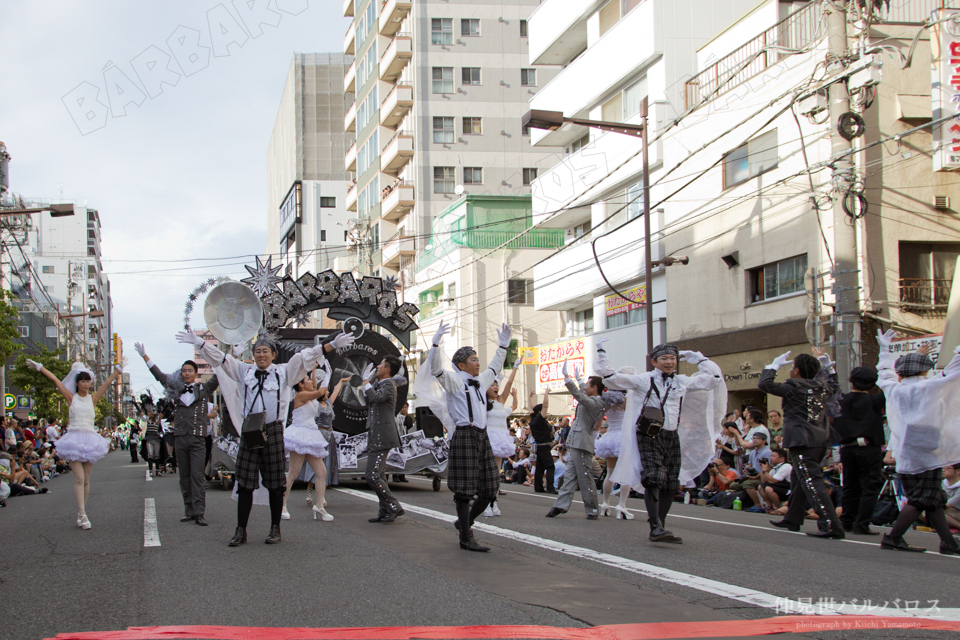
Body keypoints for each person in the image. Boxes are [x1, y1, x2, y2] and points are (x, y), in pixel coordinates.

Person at [183, 328, 353, 546]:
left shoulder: (284, 372)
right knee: (244, 483)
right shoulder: (245, 371)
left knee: (275, 483)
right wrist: (199, 342)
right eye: (257, 351)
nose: (260, 355)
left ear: (273, 354)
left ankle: (275, 528)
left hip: (273, 431)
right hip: (250, 431)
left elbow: (305, 357)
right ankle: (240, 530)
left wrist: (331, 345)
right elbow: (223, 360)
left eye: (265, 351)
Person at [598, 340, 725, 543]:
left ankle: (661, 526)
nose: (669, 362)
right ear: (654, 362)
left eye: (672, 358)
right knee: (654, 477)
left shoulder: (682, 381)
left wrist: (699, 359)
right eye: (664, 358)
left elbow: (714, 379)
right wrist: (601, 352)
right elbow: (610, 378)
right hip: (648, 434)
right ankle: (654, 526)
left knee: (670, 482)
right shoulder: (642, 380)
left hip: (671, 435)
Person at [423, 319, 511, 552]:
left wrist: (503, 346)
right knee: (464, 491)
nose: (478, 362)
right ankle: (466, 537)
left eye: (477, 358)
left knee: (490, 488)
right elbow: (436, 370)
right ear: (461, 365)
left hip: (482, 436)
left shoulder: (480, 381)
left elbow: (495, 366)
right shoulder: (454, 381)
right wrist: (435, 345)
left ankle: (464, 523)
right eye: (473, 359)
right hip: (464, 435)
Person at [875, 332, 960, 555]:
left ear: (900, 372)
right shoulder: (931, 386)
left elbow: (883, 373)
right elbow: (953, 371)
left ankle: (949, 543)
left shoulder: (894, 389)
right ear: (925, 370)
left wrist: (885, 351)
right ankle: (893, 537)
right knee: (923, 499)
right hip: (928, 453)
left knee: (931, 500)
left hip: (905, 453)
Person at [26, 358, 124, 529]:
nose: (86, 384)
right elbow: (55, 379)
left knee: (86, 480)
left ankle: (81, 512)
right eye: (83, 381)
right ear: (77, 383)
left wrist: (118, 369)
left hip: (90, 440)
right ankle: (83, 515)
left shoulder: (93, 399)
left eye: (88, 381)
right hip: (73, 439)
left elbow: (108, 382)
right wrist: (40, 367)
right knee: (79, 478)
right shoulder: (71, 398)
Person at [760, 347, 844, 538]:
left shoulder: (793, 387)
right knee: (799, 478)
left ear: (796, 371)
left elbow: (765, 384)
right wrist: (828, 366)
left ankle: (831, 525)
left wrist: (773, 366)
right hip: (820, 438)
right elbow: (835, 385)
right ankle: (793, 517)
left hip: (801, 439)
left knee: (811, 481)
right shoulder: (822, 387)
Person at [138, 342, 220, 527]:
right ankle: (188, 511)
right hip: (180, 438)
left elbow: (220, 375)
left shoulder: (204, 389)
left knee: (197, 476)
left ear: (196, 372)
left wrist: (231, 356)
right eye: (184, 370)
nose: (186, 373)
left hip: (198, 439)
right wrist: (145, 356)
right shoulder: (175, 388)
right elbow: (158, 375)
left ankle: (200, 513)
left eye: (190, 370)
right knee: (184, 476)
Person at [281, 369, 350, 522]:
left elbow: (317, 388)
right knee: (293, 473)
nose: (311, 381)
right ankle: (282, 504)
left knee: (322, 472)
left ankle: (319, 506)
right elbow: (320, 391)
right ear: (300, 384)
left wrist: (313, 370)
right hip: (300, 435)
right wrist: (327, 376)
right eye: (307, 379)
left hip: (310, 435)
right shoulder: (301, 396)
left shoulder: (310, 397)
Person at [545, 359, 604, 519]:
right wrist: (578, 380)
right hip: (577, 441)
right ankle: (560, 505)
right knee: (570, 475)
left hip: (582, 442)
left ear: (595, 388)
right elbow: (583, 393)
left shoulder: (596, 402)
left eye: (587, 385)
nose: (584, 387)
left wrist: (567, 377)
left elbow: (580, 395)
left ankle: (592, 509)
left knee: (585, 476)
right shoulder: (593, 399)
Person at [833, 366, 885, 536]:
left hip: (847, 449)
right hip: (868, 448)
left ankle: (847, 521)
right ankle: (861, 524)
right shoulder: (874, 401)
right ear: (872, 384)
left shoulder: (841, 400)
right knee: (870, 487)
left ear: (851, 380)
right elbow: (890, 387)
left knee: (850, 486)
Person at [361, 356, 405, 523]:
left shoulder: (388, 384)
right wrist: (369, 383)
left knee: (372, 475)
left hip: (382, 435)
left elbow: (375, 398)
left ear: (387, 369)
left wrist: (366, 381)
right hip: (376, 434)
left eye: (380, 364)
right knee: (379, 474)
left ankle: (394, 506)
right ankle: (384, 510)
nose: (377, 366)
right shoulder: (382, 384)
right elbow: (369, 398)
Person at [484, 360, 521, 517]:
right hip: (486, 439)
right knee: (486, 473)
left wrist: (515, 367)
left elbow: (509, 383)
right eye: (492, 385)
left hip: (499, 441)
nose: (495, 387)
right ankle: (485, 503)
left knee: (495, 473)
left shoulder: (501, 401)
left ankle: (494, 502)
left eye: (496, 385)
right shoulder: (481, 403)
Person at [527, 389, 556, 494]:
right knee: (550, 466)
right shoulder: (539, 419)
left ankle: (538, 487)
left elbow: (533, 408)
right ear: (540, 412)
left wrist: (530, 398)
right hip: (544, 446)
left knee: (540, 467)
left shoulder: (533, 419)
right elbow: (545, 405)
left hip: (538, 446)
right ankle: (550, 487)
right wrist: (546, 394)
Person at [393, 402, 414, 483]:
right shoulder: (396, 417)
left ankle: (402, 476)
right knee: (396, 457)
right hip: (397, 439)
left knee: (404, 458)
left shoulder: (408, 418)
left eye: (406, 407)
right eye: (403, 407)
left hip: (405, 440)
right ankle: (395, 476)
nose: (404, 409)